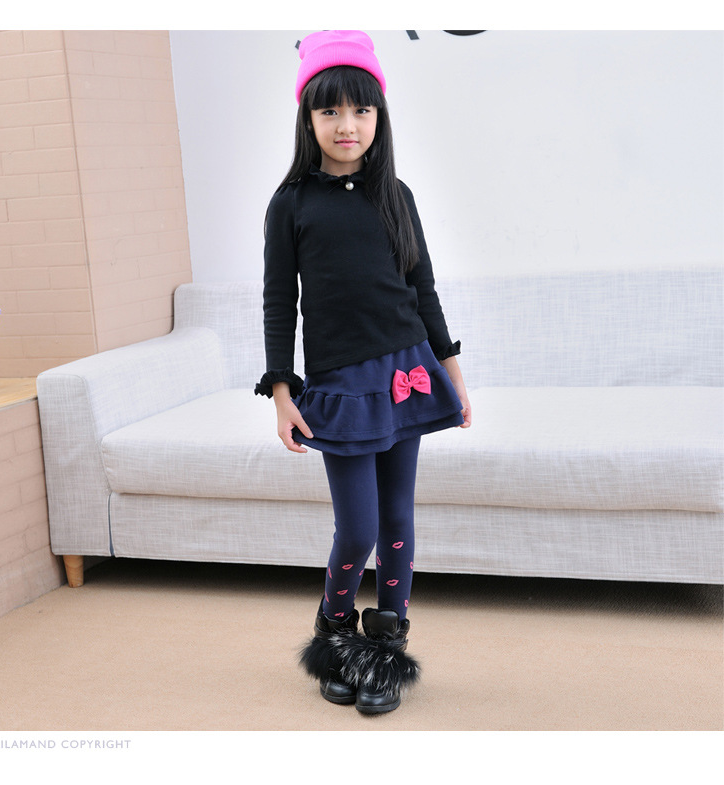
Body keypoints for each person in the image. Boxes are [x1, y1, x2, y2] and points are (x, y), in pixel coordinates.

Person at [254, 30, 472, 715]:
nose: (347, 125)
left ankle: (387, 646)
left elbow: (423, 290)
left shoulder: (395, 195)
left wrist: (453, 374)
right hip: (340, 386)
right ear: (308, 118)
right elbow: (278, 302)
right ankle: (336, 631)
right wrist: (282, 392)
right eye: (330, 111)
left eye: (361, 110)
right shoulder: (290, 204)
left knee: (398, 521)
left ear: (379, 115)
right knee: (358, 528)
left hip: (407, 372)